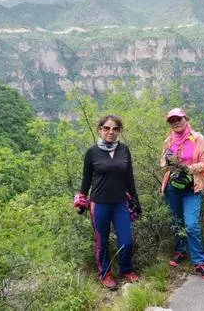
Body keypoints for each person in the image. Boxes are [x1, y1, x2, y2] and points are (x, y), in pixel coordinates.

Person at [74, 115, 141, 290]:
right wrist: (81, 200)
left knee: (126, 241)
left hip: (120, 203)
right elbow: (86, 179)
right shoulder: (92, 152)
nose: (110, 132)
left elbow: (129, 177)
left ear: (119, 131)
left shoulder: (124, 150)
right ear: (100, 130)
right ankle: (105, 274)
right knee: (101, 241)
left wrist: (135, 200)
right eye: (106, 128)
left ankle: (127, 269)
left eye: (115, 129)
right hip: (99, 203)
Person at [161, 108, 204, 279]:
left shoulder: (199, 139)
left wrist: (187, 169)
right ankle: (181, 250)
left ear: (186, 119)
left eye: (179, 119)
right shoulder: (169, 141)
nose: (176, 122)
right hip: (173, 188)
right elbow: (162, 163)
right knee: (176, 221)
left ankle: (199, 262)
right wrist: (167, 161)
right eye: (172, 120)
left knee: (191, 224)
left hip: (192, 188)